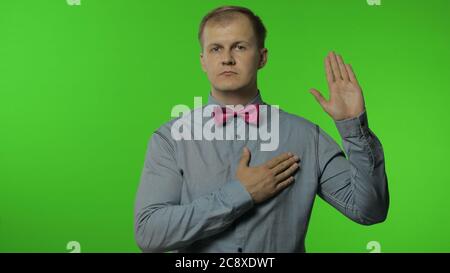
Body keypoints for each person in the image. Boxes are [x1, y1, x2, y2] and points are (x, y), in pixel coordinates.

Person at [134, 5, 389, 253]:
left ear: (262, 57)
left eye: (240, 47)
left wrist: (353, 126)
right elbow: (149, 233)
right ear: (203, 61)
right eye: (215, 49)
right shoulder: (170, 139)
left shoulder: (306, 136)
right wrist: (241, 194)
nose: (227, 59)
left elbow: (370, 211)